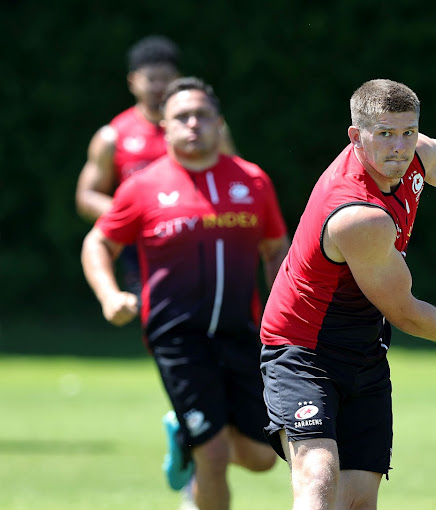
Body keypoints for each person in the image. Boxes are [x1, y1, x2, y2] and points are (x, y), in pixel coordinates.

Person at [259, 78, 436, 509]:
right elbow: (405, 312)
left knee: (357, 502)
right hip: (303, 349)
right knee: (318, 474)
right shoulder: (357, 215)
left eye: (408, 131)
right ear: (357, 136)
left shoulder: (416, 154)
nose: (400, 146)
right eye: (385, 134)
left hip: (365, 348)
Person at [81, 77, 290, 510]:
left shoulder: (253, 181)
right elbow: (98, 242)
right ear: (164, 125)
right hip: (176, 336)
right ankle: (198, 448)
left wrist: (284, 307)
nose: (192, 124)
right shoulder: (142, 186)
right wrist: (109, 296)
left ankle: (185, 435)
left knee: (260, 456)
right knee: (212, 455)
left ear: (218, 123)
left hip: (242, 331)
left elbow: (275, 251)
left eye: (202, 115)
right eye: (181, 117)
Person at [75, 35, 234, 295]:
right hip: (142, 248)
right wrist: (137, 214)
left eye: (166, 77)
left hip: (204, 237)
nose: (159, 86)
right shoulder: (113, 136)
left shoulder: (208, 130)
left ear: (178, 79)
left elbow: (237, 179)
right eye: (151, 78)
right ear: (132, 81)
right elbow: (86, 196)